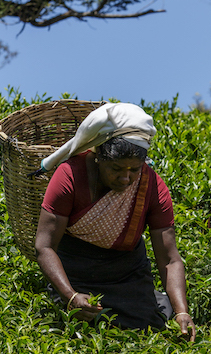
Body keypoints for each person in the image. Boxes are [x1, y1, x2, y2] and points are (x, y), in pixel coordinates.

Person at [34, 102, 195, 339]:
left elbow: (170, 259)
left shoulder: (152, 187)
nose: (125, 177)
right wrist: (70, 296)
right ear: (99, 156)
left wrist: (182, 311)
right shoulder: (70, 175)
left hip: (125, 272)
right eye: (116, 168)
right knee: (71, 327)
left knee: (147, 325)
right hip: (75, 271)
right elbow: (44, 246)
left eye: (134, 169)